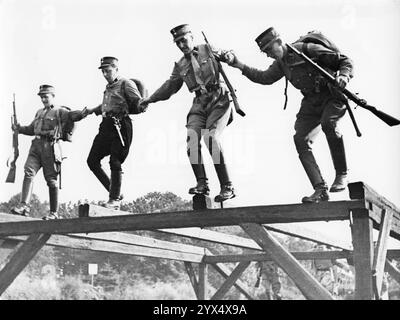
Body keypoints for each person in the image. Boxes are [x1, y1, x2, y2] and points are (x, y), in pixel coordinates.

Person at [226, 27, 354, 203]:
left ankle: (342, 174)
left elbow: (345, 61)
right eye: (265, 52)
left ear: (279, 42)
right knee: (300, 139)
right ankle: (320, 189)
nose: (269, 54)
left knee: (329, 124)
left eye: (270, 49)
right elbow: (264, 77)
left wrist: (344, 76)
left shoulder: (307, 49)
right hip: (311, 101)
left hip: (331, 95)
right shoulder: (281, 63)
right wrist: (238, 64)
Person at [139, 24, 236, 202]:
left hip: (219, 99)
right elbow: (169, 87)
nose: (181, 44)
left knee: (210, 137)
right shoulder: (180, 65)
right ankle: (202, 184)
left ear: (191, 37)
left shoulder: (208, 49)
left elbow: (227, 54)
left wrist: (229, 56)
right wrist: (149, 99)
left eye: (183, 40)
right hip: (199, 103)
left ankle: (227, 186)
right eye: (177, 42)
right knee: (192, 139)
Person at [11, 85, 88, 220]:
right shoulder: (39, 112)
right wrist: (19, 128)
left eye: (46, 96)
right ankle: (24, 206)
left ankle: (54, 213)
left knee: (51, 180)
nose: (43, 99)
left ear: (53, 96)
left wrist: (83, 113)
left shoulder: (60, 111)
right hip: (36, 146)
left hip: (50, 147)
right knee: (28, 171)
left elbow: (73, 116)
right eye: (41, 97)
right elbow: (31, 129)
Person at [85, 57, 142, 209]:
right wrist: (92, 110)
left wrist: (144, 103)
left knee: (115, 161)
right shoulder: (109, 87)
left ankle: (114, 199)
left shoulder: (125, 83)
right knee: (92, 161)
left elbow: (139, 102)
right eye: (103, 71)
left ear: (116, 69)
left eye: (108, 70)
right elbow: (107, 105)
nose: (105, 74)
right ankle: (115, 191)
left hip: (120, 125)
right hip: (106, 125)